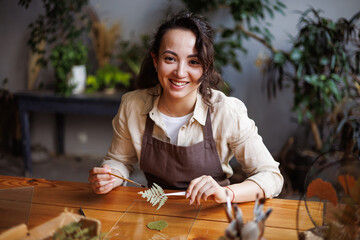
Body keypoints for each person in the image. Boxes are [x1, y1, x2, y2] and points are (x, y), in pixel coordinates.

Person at [88, 12, 283, 205]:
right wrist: (110, 175)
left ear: (206, 68)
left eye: (193, 62)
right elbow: (120, 160)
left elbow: (271, 176)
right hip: (154, 209)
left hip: (211, 215)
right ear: (155, 60)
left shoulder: (227, 112)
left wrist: (227, 193)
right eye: (170, 59)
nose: (180, 73)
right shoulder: (133, 105)